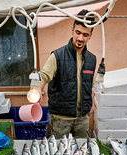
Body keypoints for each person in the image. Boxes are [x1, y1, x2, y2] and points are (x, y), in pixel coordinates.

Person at [38, 9, 96, 139]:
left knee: (82, 151)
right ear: (72, 30)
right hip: (61, 118)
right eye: (78, 33)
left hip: (82, 117)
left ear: (91, 35)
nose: (80, 38)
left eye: (85, 35)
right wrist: (37, 88)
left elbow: (90, 83)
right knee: (59, 152)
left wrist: (92, 102)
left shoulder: (92, 59)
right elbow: (44, 75)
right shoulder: (57, 56)